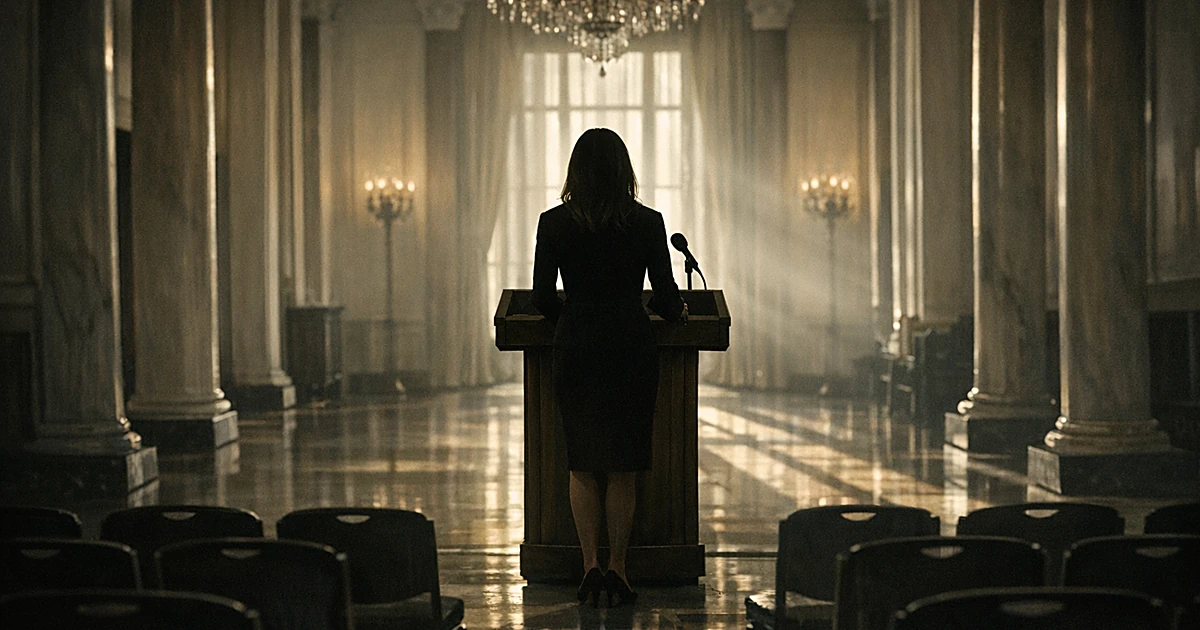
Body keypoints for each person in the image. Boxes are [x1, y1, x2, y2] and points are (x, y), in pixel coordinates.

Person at [531, 128, 688, 608]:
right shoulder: (647, 222)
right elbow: (665, 298)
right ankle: (618, 567)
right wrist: (671, 310)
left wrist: (574, 320)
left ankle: (588, 568)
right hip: (629, 346)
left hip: (576, 346)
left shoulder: (552, 223)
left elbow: (540, 298)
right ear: (625, 171)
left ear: (575, 171)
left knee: (581, 463)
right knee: (623, 466)